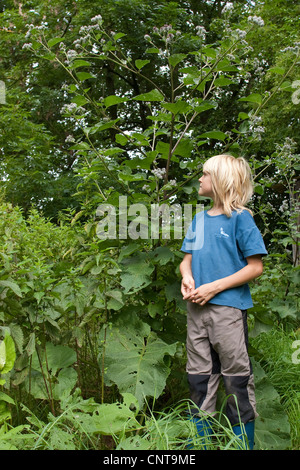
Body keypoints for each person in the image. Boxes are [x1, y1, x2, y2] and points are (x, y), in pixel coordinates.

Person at [180, 154, 268, 450]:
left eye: (204, 174)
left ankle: (243, 445)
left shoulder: (241, 219)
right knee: (199, 379)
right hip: (196, 313)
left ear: (219, 181)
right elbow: (186, 261)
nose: (200, 179)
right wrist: (187, 277)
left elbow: (255, 267)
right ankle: (199, 445)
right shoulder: (198, 219)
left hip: (228, 312)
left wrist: (214, 287)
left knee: (236, 379)